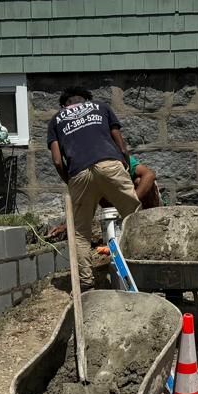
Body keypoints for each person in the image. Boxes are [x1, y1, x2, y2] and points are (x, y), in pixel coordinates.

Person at [47, 88, 140, 289]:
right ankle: (141, 268)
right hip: (109, 164)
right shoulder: (102, 107)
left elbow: (56, 160)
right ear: (88, 100)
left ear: (64, 105)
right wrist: (123, 165)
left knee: (80, 233)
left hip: (78, 173)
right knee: (134, 217)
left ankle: (87, 284)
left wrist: (71, 181)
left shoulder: (56, 120)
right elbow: (121, 145)